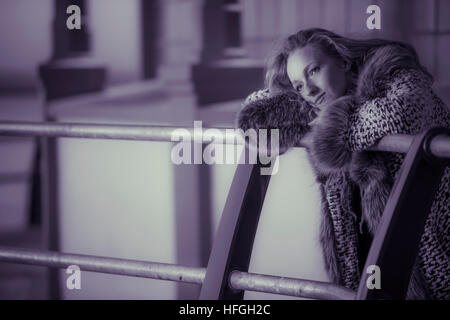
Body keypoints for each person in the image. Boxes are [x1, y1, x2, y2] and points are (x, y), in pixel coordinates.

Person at [235, 28, 450, 299]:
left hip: (434, 254)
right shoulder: (320, 102)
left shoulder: (395, 74)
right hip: (364, 263)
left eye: (313, 71)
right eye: (298, 85)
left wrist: (329, 125)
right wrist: (302, 99)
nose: (309, 90)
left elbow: (402, 112)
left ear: (344, 61)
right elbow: (256, 119)